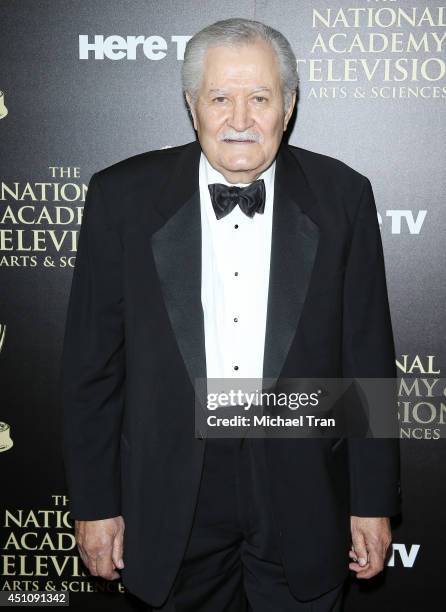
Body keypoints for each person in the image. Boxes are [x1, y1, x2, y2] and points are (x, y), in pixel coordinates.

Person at [60, 17, 401, 612]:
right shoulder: (122, 198)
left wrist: (371, 501)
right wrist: (94, 504)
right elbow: (92, 369)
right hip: (171, 489)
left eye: (260, 98)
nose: (239, 120)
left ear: (288, 107)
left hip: (302, 478)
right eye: (220, 98)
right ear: (192, 106)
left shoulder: (344, 196)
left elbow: (366, 356)